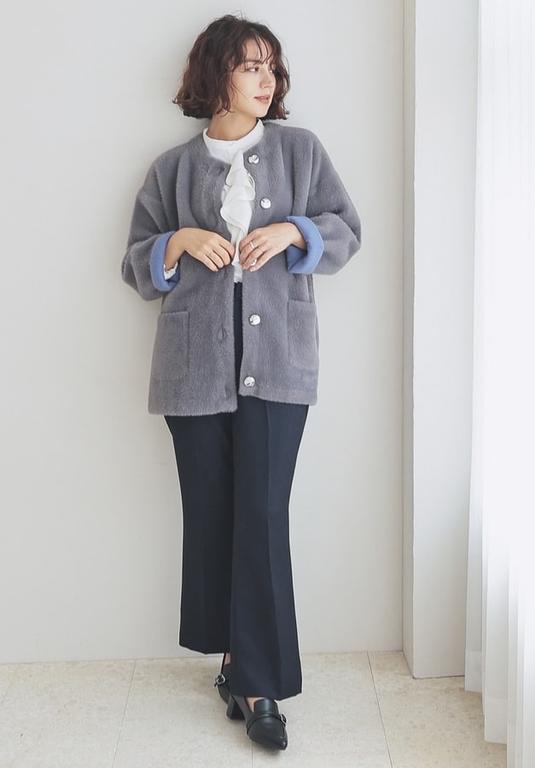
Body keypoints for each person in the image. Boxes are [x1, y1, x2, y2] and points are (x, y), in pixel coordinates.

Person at [121, 13, 362, 751]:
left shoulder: (299, 151)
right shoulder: (171, 169)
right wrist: (177, 242)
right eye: (250, 66)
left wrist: (294, 231)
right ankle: (232, 662)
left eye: (271, 67)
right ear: (216, 74)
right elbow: (135, 265)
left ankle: (260, 686)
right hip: (193, 373)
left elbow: (346, 231)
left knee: (260, 515)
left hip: (278, 367)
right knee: (213, 516)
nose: (266, 79)